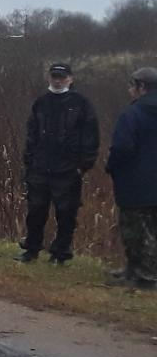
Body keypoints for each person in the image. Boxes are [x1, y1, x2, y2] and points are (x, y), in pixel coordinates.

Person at [17, 62, 99, 264]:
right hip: (40, 167)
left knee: (66, 212)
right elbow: (32, 133)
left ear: (70, 79)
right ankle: (32, 248)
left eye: (62, 77)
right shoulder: (41, 102)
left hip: (68, 168)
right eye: (54, 76)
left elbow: (91, 136)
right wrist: (29, 159)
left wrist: (84, 164)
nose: (58, 80)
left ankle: (60, 252)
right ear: (49, 77)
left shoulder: (81, 103)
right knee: (36, 210)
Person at [104, 65, 157, 289]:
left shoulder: (132, 114)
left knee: (134, 230)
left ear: (141, 87)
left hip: (135, 181)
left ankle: (144, 277)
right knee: (152, 228)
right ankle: (133, 270)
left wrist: (111, 166)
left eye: (131, 85)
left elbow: (122, 147)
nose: (129, 90)